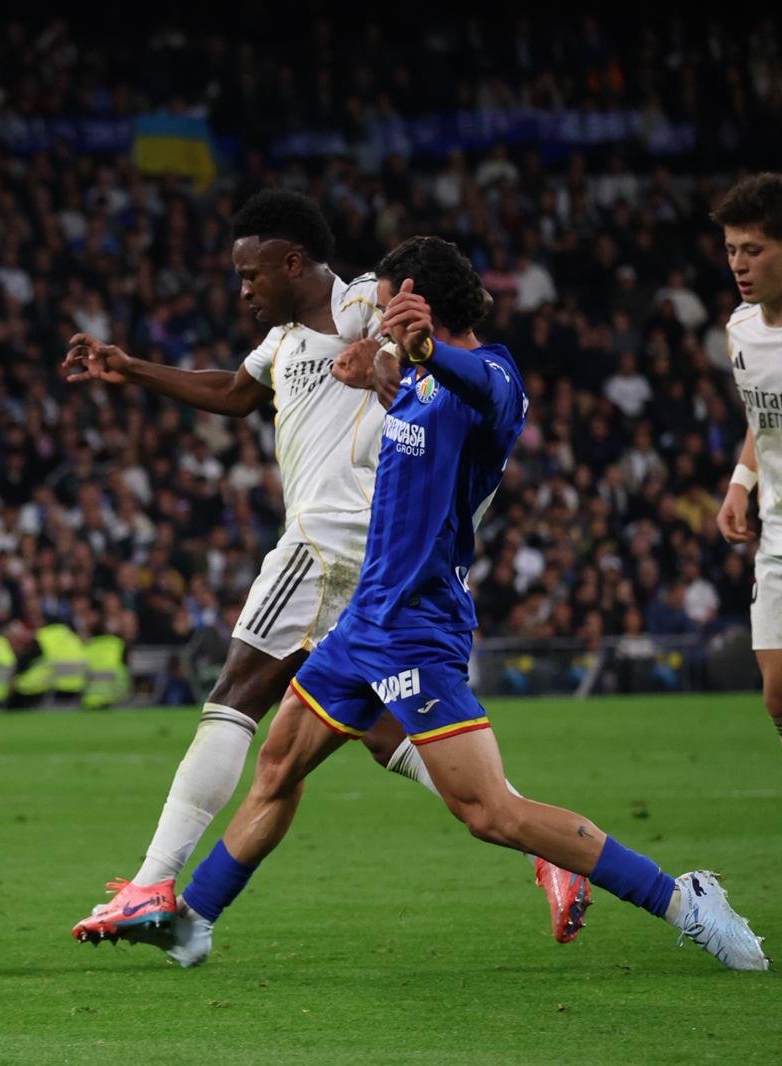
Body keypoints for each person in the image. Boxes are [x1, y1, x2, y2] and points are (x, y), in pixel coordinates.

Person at [143, 237, 767, 972]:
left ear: (421, 306)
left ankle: (683, 898)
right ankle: (194, 922)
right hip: (363, 620)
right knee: (277, 768)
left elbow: (471, 388)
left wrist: (421, 351)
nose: (374, 325)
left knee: (490, 813)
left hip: (418, 626)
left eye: (383, 311)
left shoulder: (494, 378)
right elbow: (416, 428)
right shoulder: (411, 374)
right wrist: (383, 374)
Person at [62, 191, 587, 946]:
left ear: (293, 263)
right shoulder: (279, 345)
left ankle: (151, 884)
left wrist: (377, 354)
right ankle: (548, 847)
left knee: (235, 692)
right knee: (377, 732)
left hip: (327, 541)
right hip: (369, 568)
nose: (242, 291)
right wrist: (129, 368)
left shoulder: (362, 301)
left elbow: (422, 347)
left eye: (250, 275)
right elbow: (236, 394)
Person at [712, 173, 782, 771]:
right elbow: (763, 421)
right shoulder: (740, 329)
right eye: (733, 249)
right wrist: (741, 485)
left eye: (754, 249)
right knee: (779, 694)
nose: (739, 263)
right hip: (779, 535)